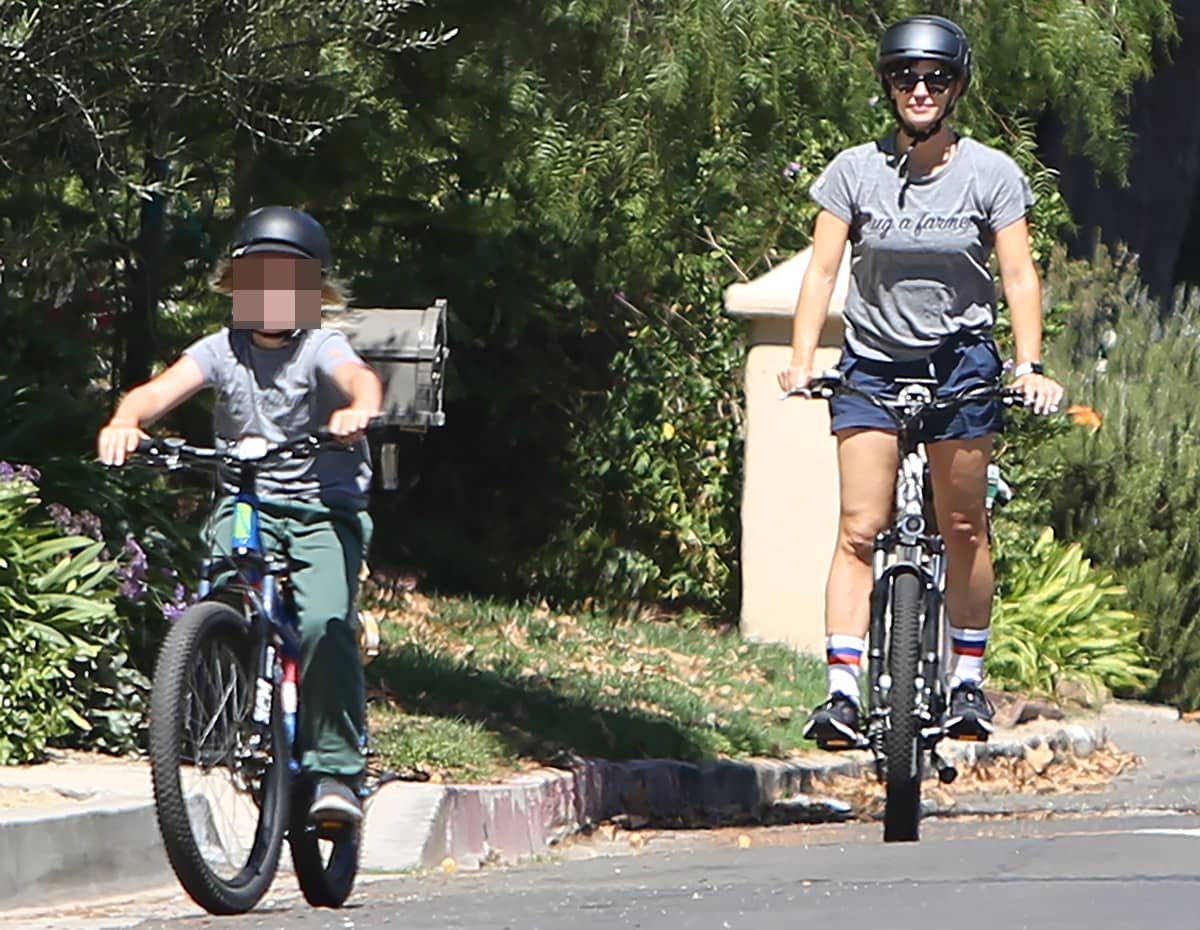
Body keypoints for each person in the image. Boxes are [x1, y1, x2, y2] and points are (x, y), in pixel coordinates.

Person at [777, 15, 1065, 748]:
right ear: (888, 85)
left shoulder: (992, 174)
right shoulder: (854, 171)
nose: (920, 90)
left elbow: (1019, 274)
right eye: (906, 77)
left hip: (962, 362)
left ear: (957, 87)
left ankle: (966, 682)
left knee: (964, 524)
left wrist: (1027, 366)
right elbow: (821, 269)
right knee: (858, 529)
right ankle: (842, 692)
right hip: (873, 362)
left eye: (935, 78)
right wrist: (802, 358)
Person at [98, 206, 384, 823]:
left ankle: (336, 771)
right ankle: (228, 710)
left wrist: (356, 410)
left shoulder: (321, 347)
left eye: (289, 282)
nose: (273, 295)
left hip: (319, 511)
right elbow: (156, 391)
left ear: (314, 292)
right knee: (223, 598)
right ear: (235, 286)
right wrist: (126, 421)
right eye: (258, 279)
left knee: (322, 626)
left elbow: (360, 380)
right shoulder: (219, 350)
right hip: (245, 502)